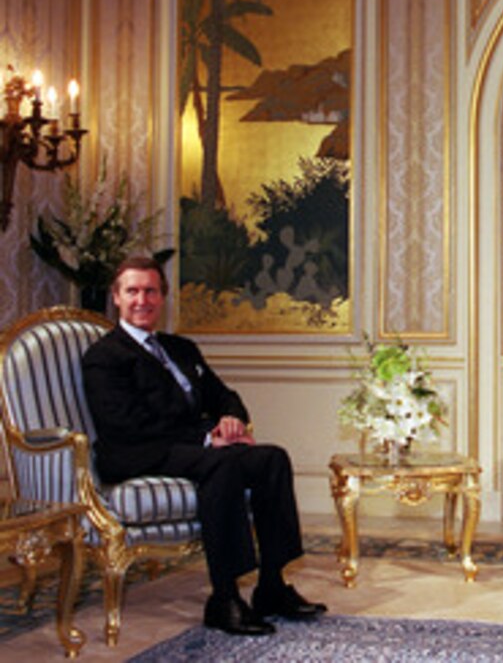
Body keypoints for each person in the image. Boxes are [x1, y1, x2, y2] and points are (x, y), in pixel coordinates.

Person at [82, 256, 326, 636]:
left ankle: (272, 587)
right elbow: (126, 425)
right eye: (132, 291)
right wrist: (206, 439)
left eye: (150, 291)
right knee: (222, 464)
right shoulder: (105, 357)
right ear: (116, 298)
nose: (141, 300)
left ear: (162, 297)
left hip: (187, 447)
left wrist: (231, 420)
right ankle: (224, 598)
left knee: (272, 459)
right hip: (139, 452)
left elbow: (224, 395)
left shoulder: (181, 349)